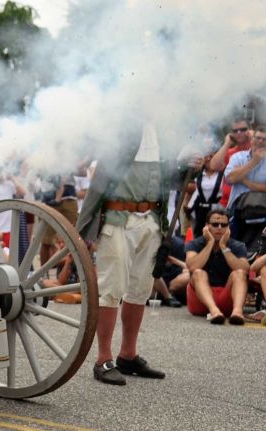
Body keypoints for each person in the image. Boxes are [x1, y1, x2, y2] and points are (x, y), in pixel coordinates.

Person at [77, 123, 202, 386]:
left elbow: (169, 180)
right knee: (111, 289)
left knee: (140, 289)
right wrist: (82, 230)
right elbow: (99, 182)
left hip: (152, 221)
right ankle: (103, 358)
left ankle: (128, 355)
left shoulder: (164, 136)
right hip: (117, 218)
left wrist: (190, 167)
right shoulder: (121, 131)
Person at [185, 209, 249, 324]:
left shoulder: (237, 245)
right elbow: (192, 267)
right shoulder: (194, 244)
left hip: (227, 298)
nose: (219, 228)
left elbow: (245, 269)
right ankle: (214, 311)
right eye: (215, 224)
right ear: (206, 226)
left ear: (228, 228)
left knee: (239, 273)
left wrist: (223, 247)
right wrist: (210, 243)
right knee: (198, 273)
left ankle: (238, 312)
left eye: (224, 225)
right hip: (201, 300)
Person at [224, 126, 266, 250]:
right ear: (252, 139)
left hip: (262, 214)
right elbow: (230, 179)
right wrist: (254, 162)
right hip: (236, 213)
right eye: (258, 138)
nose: (260, 142)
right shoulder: (238, 157)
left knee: (255, 253)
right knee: (230, 250)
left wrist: (244, 180)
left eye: (264, 139)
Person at [210, 119, 253, 208]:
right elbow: (214, 166)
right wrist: (227, 143)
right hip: (228, 203)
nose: (239, 132)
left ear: (250, 130)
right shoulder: (230, 152)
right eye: (235, 131)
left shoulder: (257, 151)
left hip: (251, 203)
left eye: (243, 129)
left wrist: (253, 138)